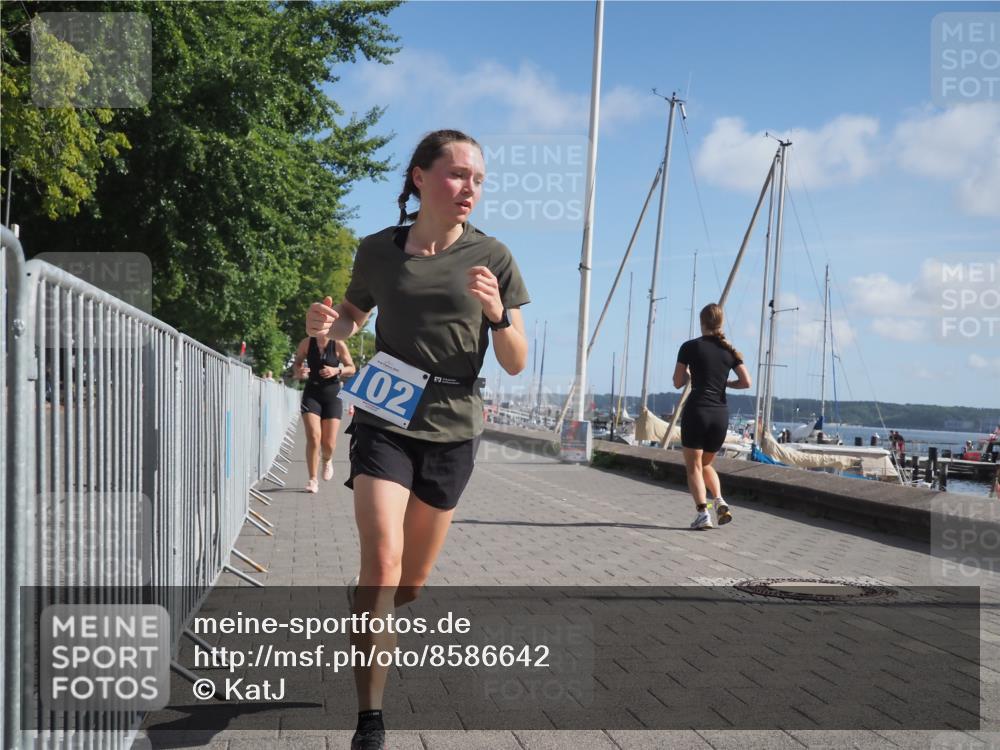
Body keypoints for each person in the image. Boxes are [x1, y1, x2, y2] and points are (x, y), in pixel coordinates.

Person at [305, 129, 530, 750]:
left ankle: (367, 603)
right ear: (420, 177)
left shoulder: (495, 257)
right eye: (458, 174)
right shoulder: (379, 250)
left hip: (455, 421)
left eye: (478, 180)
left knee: (408, 584)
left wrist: (497, 313)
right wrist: (329, 324)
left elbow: (515, 361)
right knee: (382, 563)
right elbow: (355, 313)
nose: (469, 189)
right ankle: (369, 721)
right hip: (385, 414)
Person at [673, 303, 752, 530]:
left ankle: (702, 514)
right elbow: (747, 382)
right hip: (720, 413)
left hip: (697, 410)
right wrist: (726, 383)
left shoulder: (689, 347)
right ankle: (719, 500)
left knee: (694, 467)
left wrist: (690, 376)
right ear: (720, 323)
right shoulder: (729, 351)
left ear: (702, 322)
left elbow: (678, 382)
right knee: (706, 464)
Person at [293, 334, 356, 492]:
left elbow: (352, 368)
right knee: (314, 436)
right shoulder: (306, 343)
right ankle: (313, 479)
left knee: (329, 443)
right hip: (312, 394)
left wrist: (337, 370)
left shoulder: (338, 344)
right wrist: (299, 371)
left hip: (332, 396)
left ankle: (327, 460)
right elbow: (297, 363)